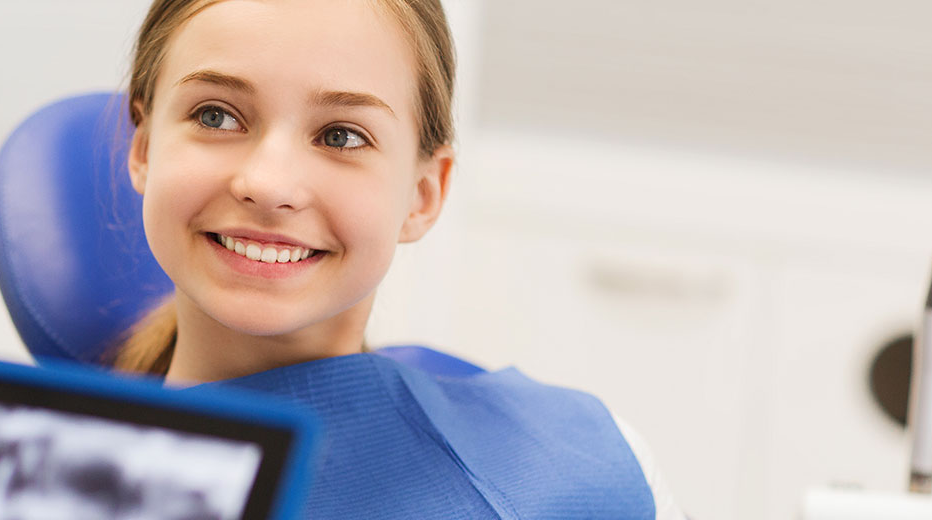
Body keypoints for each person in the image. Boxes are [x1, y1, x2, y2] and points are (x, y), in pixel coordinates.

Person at [109, 0, 684, 518]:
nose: (268, 183)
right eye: (216, 115)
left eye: (341, 136)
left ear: (423, 194)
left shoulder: (582, 472)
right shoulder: (44, 481)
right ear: (143, 148)